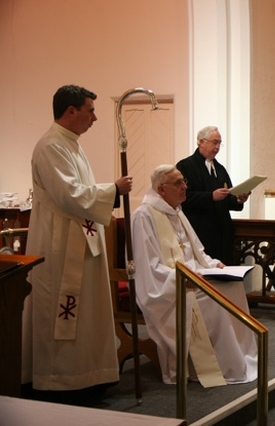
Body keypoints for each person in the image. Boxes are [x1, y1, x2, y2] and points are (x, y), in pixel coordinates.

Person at [24, 85, 133, 397]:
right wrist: (112, 190)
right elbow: (68, 194)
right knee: (62, 312)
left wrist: (108, 190)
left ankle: (86, 374)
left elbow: (79, 190)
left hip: (80, 239)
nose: (95, 117)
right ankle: (59, 379)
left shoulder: (70, 144)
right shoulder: (50, 146)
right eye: (90, 110)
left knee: (85, 315)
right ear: (71, 111)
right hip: (59, 245)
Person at [131, 164, 258, 386]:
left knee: (232, 286)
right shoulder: (143, 216)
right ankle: (214, 365)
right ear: (161, 189)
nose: (185, 187)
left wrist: (213, 264)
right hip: (167, 286)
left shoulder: (177, 212)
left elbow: (196, 250)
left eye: (184, 182)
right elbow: (148, 266)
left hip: (194, 275)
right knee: (214, 297)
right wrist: (184, 277)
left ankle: (237, 357)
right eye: (179, 183)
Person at [176, 126, 250, 264]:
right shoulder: (185, 166)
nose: (217, 147)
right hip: (199, 229)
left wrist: (238, 200)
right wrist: (211, 197)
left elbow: (228, 197)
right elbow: (183, 197)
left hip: (222, 231)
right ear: (201, 142)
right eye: (214, 142)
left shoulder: (220, 169)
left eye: (219, 143)